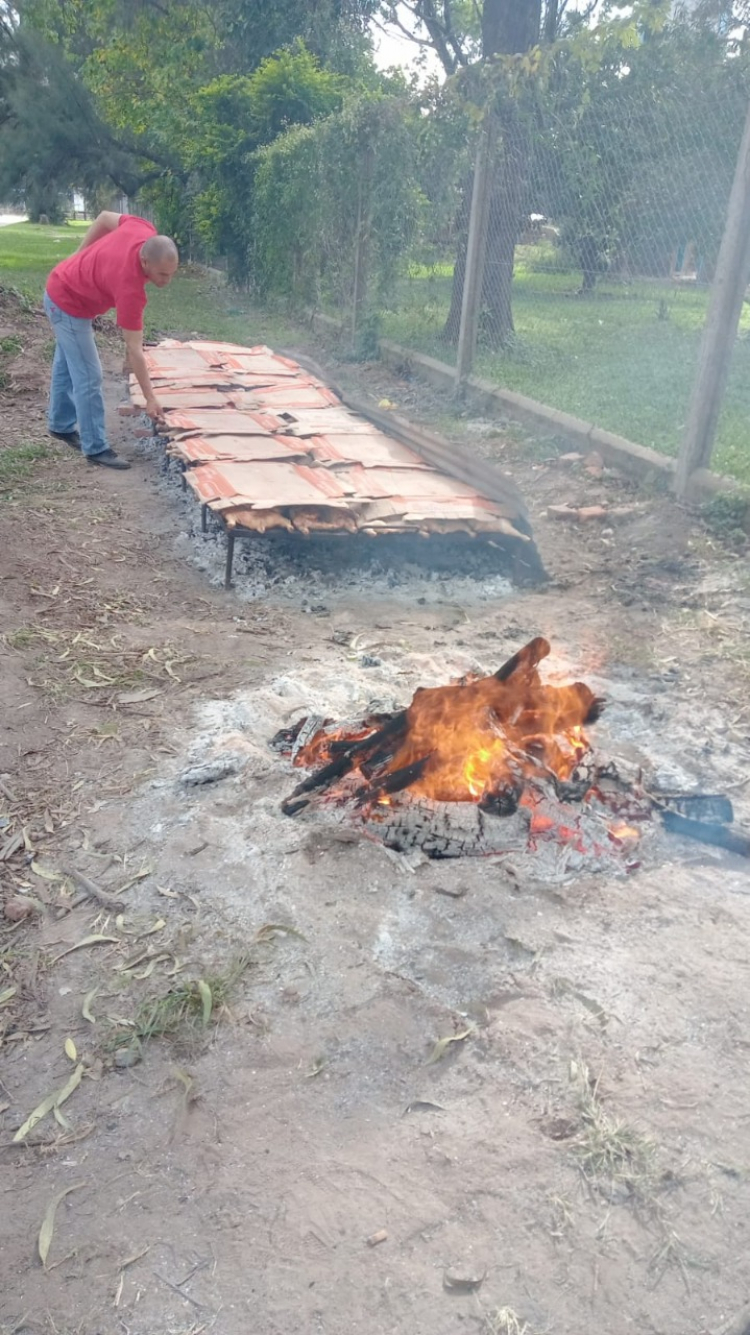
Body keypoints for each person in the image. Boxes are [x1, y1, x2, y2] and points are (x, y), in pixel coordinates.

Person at [43, 212, 179, 470]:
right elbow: (134, 349)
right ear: (145, 261)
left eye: (171, 273)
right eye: (162, 274)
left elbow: (105, 217)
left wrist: (80, 254)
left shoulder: (142, 228)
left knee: (67, 365)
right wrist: (150, 398)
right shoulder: (130, 288)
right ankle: (96, 447)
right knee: (89, 375)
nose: (166, 281)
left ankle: (60, 425)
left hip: (64, 289)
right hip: (66, 304)